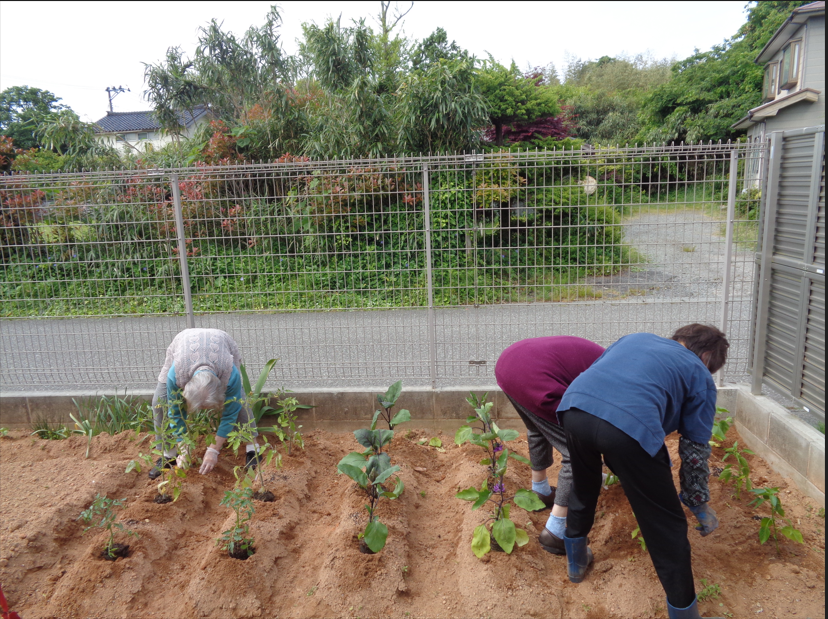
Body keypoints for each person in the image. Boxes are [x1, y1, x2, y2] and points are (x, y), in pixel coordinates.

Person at [557, 324, 729, 619]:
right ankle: (685, 613)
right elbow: (694, 451)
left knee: (584, 485)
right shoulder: (699, 373)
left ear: (680, 338)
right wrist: (697, 501)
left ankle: (576, 563)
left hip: (574, 409)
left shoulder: (635, 338)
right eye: (711, 367)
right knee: (665, 525)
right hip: (629, 427)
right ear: (707, 357)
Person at [495, 335, 606, 555]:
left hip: (508, 364)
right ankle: (556, 532)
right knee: (577, 450)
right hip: (534, 374)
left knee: (538, 427)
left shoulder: (610, 359)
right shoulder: (620, 380)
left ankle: (540, 491)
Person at [149, 328, 261, 479]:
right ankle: (168, 454)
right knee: (159, 403)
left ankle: (253, 449)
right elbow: (175, 413)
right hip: (184, 345)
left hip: (221, 343)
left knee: (238, 402)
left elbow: (230, 414)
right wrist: (183, 448)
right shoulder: (175, 374)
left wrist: (213, 451)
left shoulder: (229, 373)